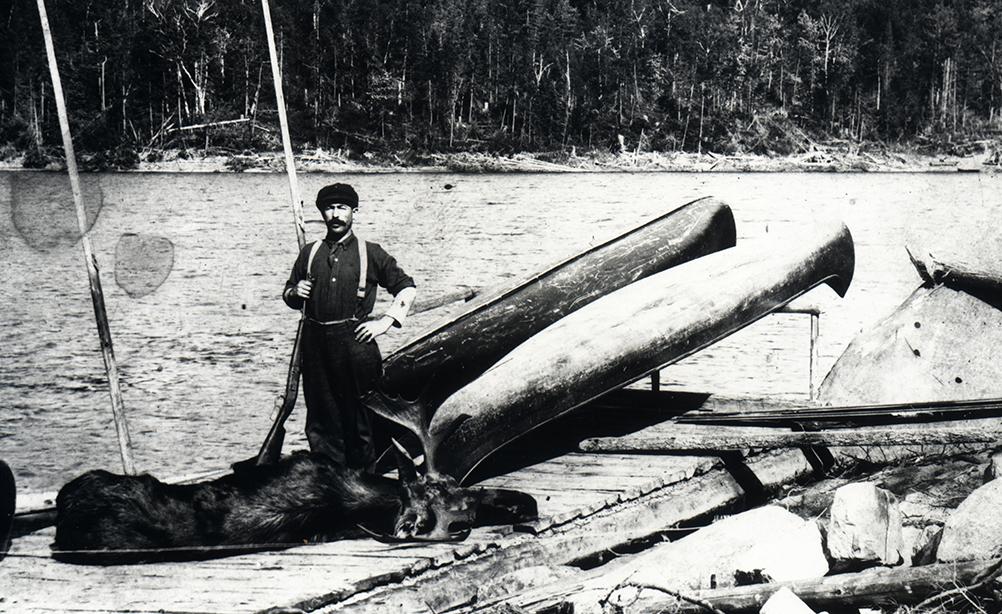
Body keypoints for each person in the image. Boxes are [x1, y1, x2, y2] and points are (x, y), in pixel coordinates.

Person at [283, 183, 416, 472]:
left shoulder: (372, 253)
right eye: (329, 209)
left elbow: (407, 289)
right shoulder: (309, 252)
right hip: (314, 344)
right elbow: (288, 294)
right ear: (321, 213)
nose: (335, 215)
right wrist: (296, 292)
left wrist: (385, 322)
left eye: (342, 208)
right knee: (320, 424)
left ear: (354, 212)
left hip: (355, 346)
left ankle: (363, 492)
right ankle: (331, 494)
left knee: (361, 424)